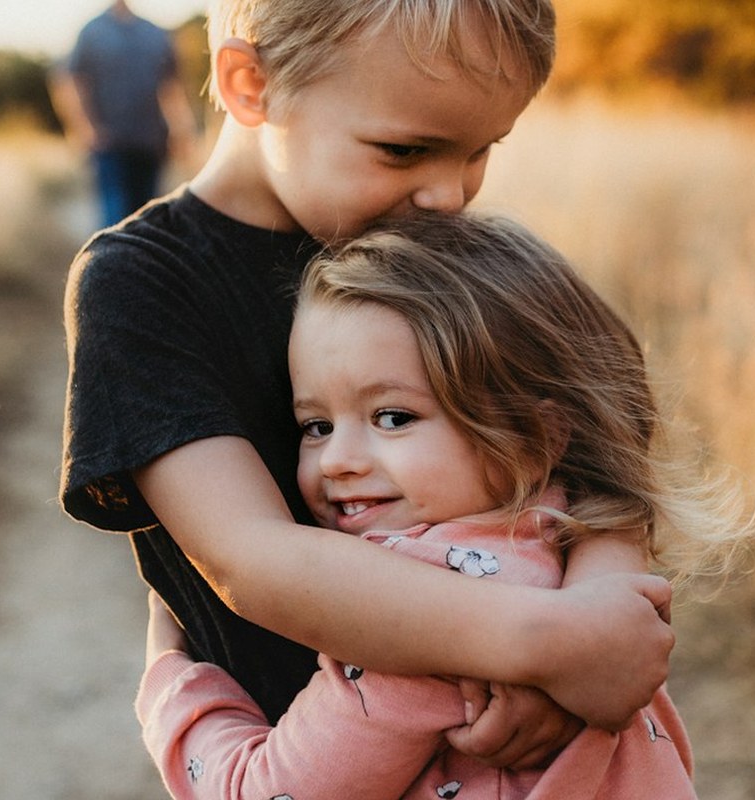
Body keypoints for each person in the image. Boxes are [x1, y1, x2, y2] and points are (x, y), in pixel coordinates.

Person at [61, 0, 674, 769]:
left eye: (480, 150)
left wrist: (590, 628)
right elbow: (252, 558)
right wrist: (548, 645)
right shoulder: (146, 284)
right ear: (252, 84)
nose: (449, 195)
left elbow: (605, 454)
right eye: (405, 149)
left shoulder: (441, 255)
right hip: (313, 764)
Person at [136, 213, 755, 798]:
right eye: (316, 426)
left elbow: (260, 789)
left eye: (394, 417)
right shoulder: (572, 542)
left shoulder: (419, 622)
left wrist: (172, 683)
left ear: (537, 438)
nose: (337, 461)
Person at [49, 0, 196, 227]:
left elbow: (171, 87)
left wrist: (182, 132)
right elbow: (69, 81)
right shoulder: (92, 32)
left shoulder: (155, 33)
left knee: (148, 221)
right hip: (109, 146)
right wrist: (84, 130)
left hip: (150, 142)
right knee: (116, 221)